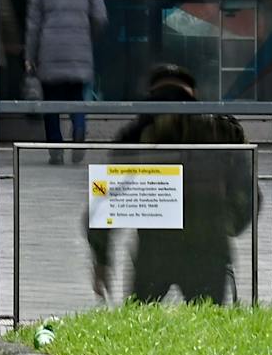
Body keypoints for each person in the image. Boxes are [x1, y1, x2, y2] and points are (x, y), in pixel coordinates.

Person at [86, 63, 256, 305]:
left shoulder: (136, 134)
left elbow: (107, 201)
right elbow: (248, 194)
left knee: (139, 329)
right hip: (208, 250)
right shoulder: (222, 132)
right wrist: (224, 224)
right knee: (211, 330)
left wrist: (102, 259)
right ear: (193, 96)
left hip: (154, 252)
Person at [24, 0, 106, 166]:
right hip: (79, 51)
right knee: (77, 97)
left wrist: (30, 56)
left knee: (51, 103)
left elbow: (33, 24)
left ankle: (56, 150)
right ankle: (79, 132)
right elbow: (100, 17)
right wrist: (88, 38)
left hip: (48, 53)